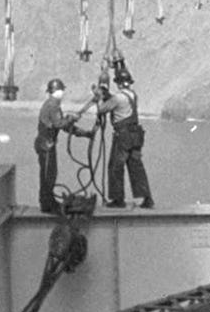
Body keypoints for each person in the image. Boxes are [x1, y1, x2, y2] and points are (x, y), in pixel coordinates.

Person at [97, 64, 153, 209]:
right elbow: (120, 101)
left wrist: (100, 96)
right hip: (136, 136)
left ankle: (118, 199)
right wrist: (108, 96)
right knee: (136, 167)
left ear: (119, 83)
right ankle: (147, 198)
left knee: (116, 166)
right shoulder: (133, 95)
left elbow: (102, 109)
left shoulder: (118, 98)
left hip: (122, 137)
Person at [34, 78, 93, 214]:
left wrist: (84, 133)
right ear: (54, 92)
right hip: (46, 146)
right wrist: (71, 118)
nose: (61, 93)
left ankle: (48, 202)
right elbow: (59, 124)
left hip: (48, 145)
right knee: (48, 176)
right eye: (60, 91)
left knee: (50, 175)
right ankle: (47, 204)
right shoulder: (52, 105)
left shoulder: (55, 105)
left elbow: (65, 126)